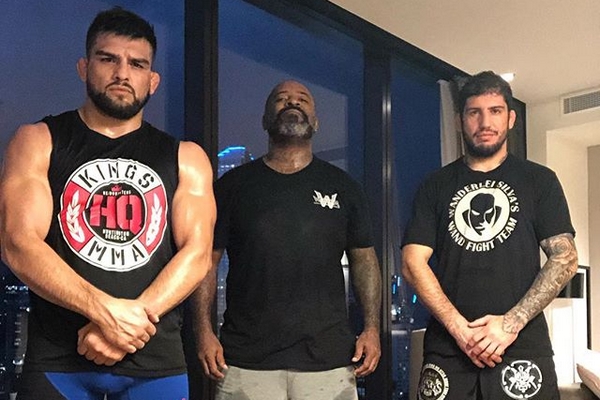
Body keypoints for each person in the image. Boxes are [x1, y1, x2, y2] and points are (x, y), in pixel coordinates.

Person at [0, 7, 216, 400]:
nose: (122, 73)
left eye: (137, 64)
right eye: (108, 59)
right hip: (60, 360)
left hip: (155, 364)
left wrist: (126, 326)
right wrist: (106, 313)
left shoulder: (186, 157)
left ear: (153, 81)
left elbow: (197, 254)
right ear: (84, 67)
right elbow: (18, 243)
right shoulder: (38, 140)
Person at [192, 80, 382, 400]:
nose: (292, 103)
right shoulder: (232, 186)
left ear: (315, 122)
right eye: (281, 99)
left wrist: (372, 328)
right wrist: (203, 332)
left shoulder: (344, 187)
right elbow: (205, 264)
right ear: (265, 120)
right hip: (246, 360)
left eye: (302, 99)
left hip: (329, 361)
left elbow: (365, 259)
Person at [401, 71, 579, 400]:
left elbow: (565, 257)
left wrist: (509, 324)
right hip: (448, 352)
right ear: (459, 120)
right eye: (474, 112)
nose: (485, 122)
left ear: (510, 118)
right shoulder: (434, 186)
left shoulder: (539, 180)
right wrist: (459, 330)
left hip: (522, 349)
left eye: (495, 111)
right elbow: (413, 262)